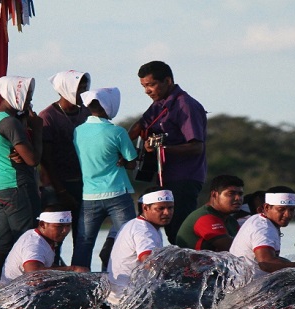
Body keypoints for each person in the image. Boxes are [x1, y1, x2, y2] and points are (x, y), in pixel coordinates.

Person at [128, 61, 207, 245]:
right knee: (171, 232)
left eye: (151, 85)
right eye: (143, 86)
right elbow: (141, 124)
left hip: (184, 177)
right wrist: (121, 145)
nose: (147, 91)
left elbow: (196, 147)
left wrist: (161, 150)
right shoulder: (159, 103)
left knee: (180, 233)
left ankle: (191, 272)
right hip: (165, 178)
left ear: (167, 81)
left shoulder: (185, 105)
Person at [70, 87, 138, 269]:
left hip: (90, 195)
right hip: (117, 193)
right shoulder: (117, 132)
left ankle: (78, 280)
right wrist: (123, 160)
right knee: (129, 238)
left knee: (84, 241)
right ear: (108, 106)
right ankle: (127, 278)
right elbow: (132, 162)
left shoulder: (78, 131)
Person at [0, 76, 43, 281]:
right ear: (14, 94)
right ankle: (30, 290)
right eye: (26, 95)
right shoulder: (9, 122)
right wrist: (37, 130)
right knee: (30, 239)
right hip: (16, 186)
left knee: (4, 240)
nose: (30, 100)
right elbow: (32, 159)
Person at [38, 70, 91, 266]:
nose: (83, 92)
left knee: (83, 236)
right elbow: (47, 159)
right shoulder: (48, 117)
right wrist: (60, 190)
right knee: (53, 237)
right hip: (55, 186)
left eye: (85, 87)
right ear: (65, 89)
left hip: (83, 184)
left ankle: (81, 274)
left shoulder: (86, 112)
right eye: (79, 88)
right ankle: (51, 275)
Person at [229, 186, 295, 277]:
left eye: (291, 209)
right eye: (281, 209)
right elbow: (266, 263)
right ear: (266, 207)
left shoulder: (260, 220)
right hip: (248, 287)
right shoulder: (264, 228)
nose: (288, 215)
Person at [107, 189, 174, 305]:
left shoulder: (138, 224)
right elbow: (149, 261)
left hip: (124, 294)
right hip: (127, 297)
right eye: (160, 208)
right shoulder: (144, 230)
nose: (167, 213)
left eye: (170, 208)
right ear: (145, 208)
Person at [1, 207, 90, 283]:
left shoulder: (43, 239)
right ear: (42, 224)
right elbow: (33, 273)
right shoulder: (33, 244)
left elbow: (45, 267)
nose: (65, 231)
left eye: (68, 226)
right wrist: (72, 269)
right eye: (59, 226)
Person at [175, 174, 244, 251]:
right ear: (214, 194)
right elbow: (233, 249)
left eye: (240, 194)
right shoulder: (206, 217)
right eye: (231, 193)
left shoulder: (232, 221)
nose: (238, 198)